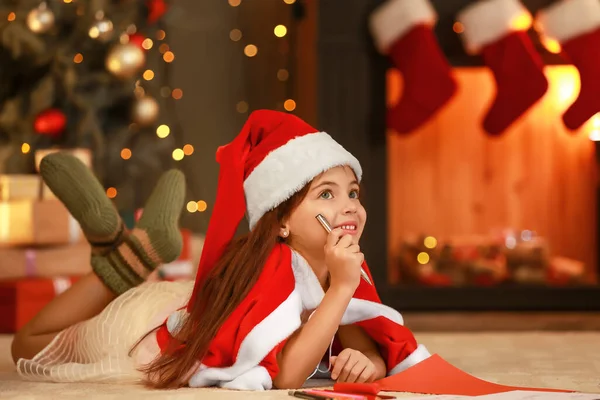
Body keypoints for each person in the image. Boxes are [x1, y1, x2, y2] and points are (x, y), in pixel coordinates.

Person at [12, 110, 431, 390]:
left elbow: (361, 330)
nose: (349, 206)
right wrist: (340, 288)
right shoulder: (276, 265)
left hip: (196, 302)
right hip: (150, 332)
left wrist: (371, 364)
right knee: (28, 346)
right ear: (281, 221)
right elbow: (285, 376)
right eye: (326, 194)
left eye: (352, 192)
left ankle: (121, 254)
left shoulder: (340, 261)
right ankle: (120, 263)